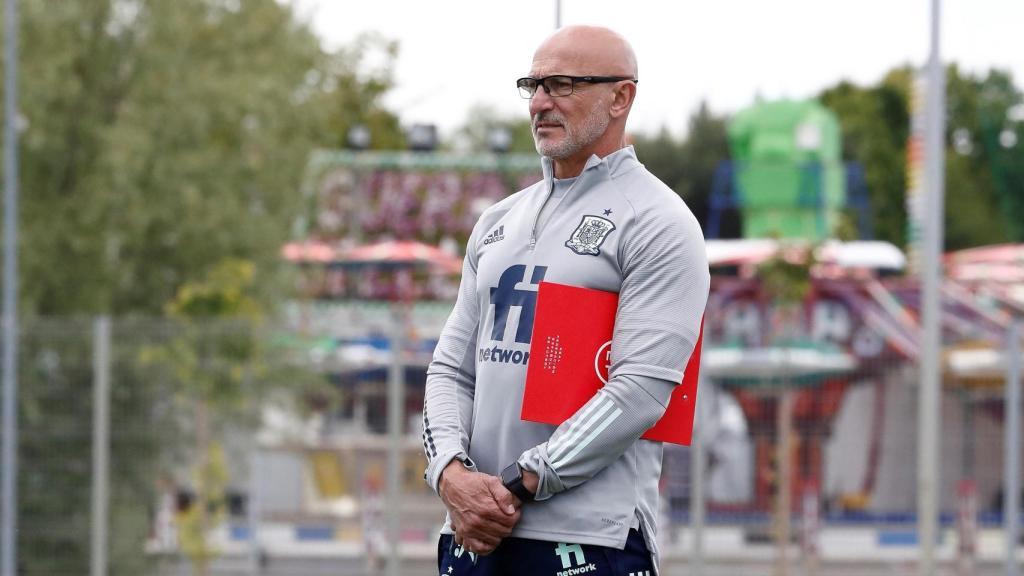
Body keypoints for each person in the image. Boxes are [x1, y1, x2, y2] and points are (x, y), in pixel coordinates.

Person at [422, 25, 709, 574]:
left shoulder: (659, 222)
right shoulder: (497, 220)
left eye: (563, 85)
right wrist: (450, 476)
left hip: (590, 537)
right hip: (474, 531)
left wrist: (518, 483)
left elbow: (642, 390)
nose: (539, 103)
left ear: (621, 97)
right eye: (532, 85)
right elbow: (450, 373)